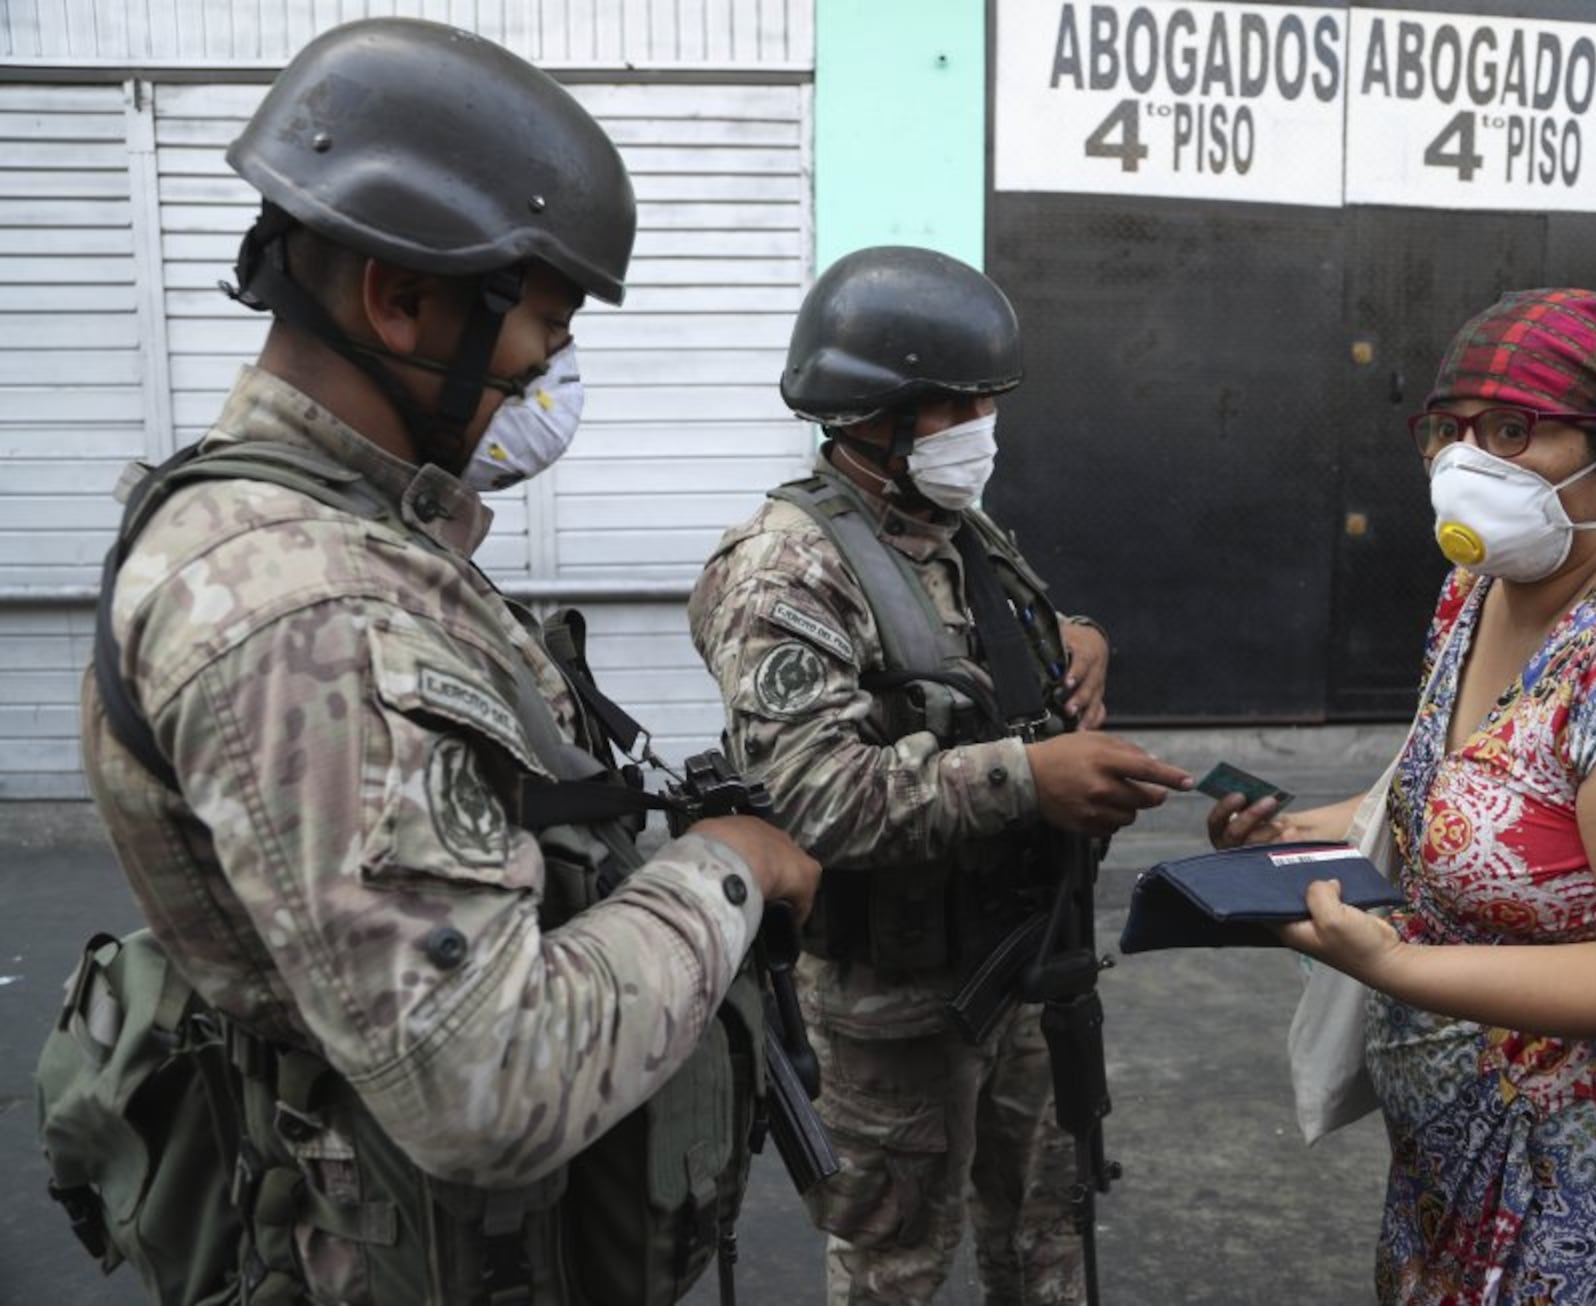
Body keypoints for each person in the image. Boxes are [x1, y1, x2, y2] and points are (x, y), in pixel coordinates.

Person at [74, 18, 817, 1303]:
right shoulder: (301, 612)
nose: (551, 370)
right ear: (401, 299)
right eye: (545, 324)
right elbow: (491, 1082)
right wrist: (725, 873)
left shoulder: (341, 531)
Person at [1209, 289, 1596, 1304]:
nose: (1466, 463)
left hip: (1573, 1176)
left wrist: (1400, 963)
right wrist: (1295, 834)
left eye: (1513, 431)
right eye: (1449, 431)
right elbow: (1451, 792)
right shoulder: (1474, 596)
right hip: (1444, 1144)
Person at [688, 245, 1192, 1304]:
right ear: (877, 413)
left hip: (1022, 962)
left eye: (983, 403)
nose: (980, 427)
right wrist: (1029, 776)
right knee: (895, 1263)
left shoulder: (950, 527)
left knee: (1043, 1230)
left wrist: (1070, 634)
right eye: (957, 404)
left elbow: (963, 651)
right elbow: (814, 798)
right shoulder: (784, 567)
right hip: (893, 1004)